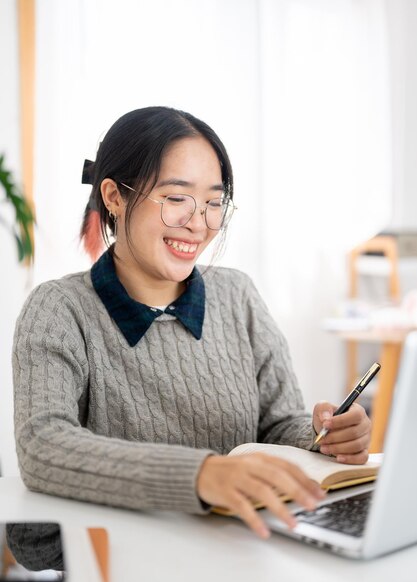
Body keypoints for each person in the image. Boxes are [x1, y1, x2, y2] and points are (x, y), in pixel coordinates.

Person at [13, 106, 371, 539]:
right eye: (177, 198)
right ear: (114, 196)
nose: (198, 224)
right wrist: (200, 475)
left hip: (243, 551)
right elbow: (42, 446)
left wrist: (322, 434)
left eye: (214, 203)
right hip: (129, 562)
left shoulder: (237, 295)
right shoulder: (59, 309)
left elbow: (276, 427)